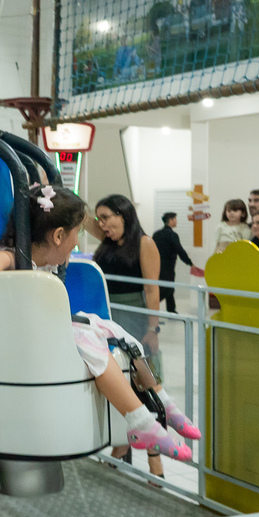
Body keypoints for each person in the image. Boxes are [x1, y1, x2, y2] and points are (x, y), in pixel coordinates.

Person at [0, 185, 196, 465]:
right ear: (58, 236)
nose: (77, 243)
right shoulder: (14, 258)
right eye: (76, 235)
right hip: (27, 341)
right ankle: (140, 420)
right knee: (91, 341)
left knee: (119, 334)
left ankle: (164, 404)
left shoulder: (47, 261)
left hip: (47, 333)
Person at [83, 194, 171, 475]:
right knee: (119, 385)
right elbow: (84, 219)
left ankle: (154, 458)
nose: (103, 224)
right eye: (100, 219)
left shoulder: (144, 243)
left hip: (136, 317)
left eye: (108, 217)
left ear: (125, 215)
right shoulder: (108, 240)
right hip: (110, 318)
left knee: (145, 387)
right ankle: (122, 447)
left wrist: (152, 329)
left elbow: (151, 290)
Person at [152, 212, 200, 314]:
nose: (176, 221)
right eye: (175, 219)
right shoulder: (172, 235)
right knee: (167, 289)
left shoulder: (156, 234)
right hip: (168, 265)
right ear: (170, 220)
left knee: (166, 286)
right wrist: (190, 263)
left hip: (156, 265)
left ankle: (171, 310)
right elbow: (180, 250)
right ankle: (151, 306)